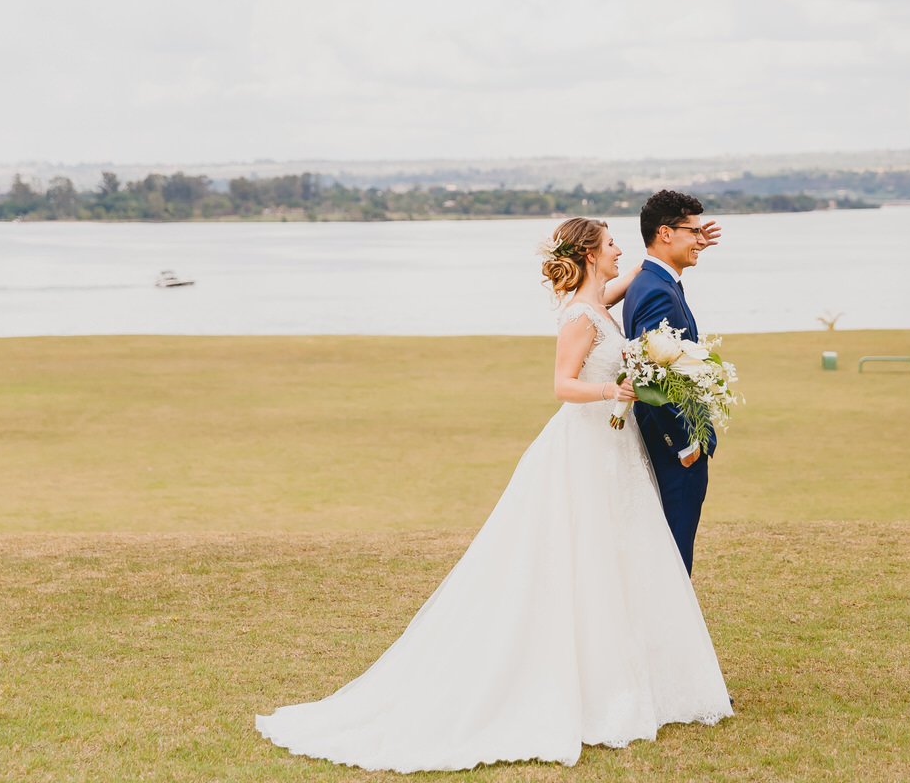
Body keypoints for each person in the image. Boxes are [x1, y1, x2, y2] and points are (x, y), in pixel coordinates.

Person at [256, 216, 733, 773]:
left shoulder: (600, 299)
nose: (617, 248)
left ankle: (624, 672)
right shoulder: (581, 316)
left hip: (613, 446)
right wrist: (614, 388)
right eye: (608, 244)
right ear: (587, 255)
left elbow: (642, 272)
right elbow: (561, 385)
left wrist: (683, 242)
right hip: (585, 444)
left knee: (617, 555)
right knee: (577, 553)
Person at [622, 191, 721, 576]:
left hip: (676, 449)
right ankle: (669, 634)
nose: (701, 239)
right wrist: (685, 445)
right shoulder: (656, 293)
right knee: (674, 557)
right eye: (693, 231)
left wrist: (692, 242)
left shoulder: (657, 281)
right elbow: (653, 377)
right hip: (674, 452)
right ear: (665, 232)